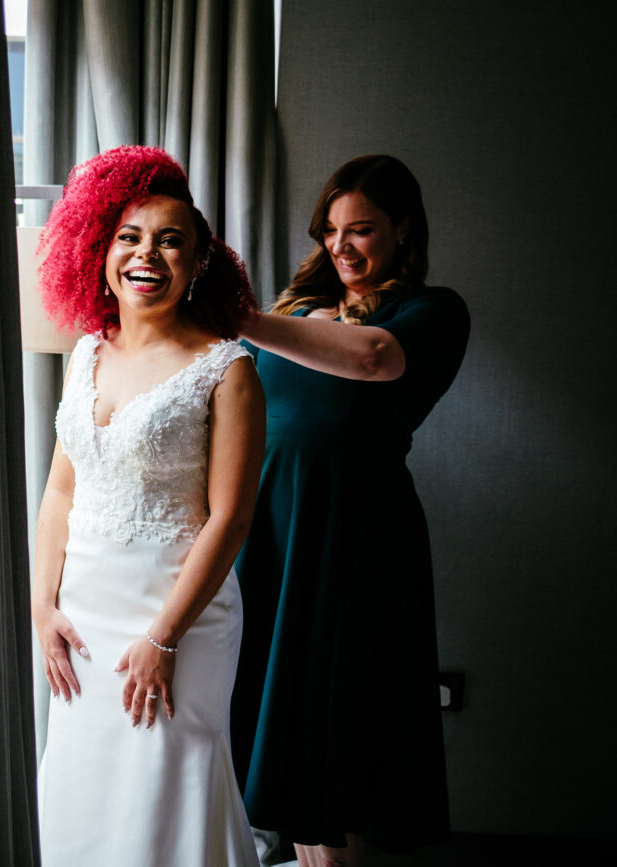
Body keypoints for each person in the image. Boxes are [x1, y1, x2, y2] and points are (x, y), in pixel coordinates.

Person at [230, 155, 470, 867]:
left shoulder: (431, 312)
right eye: (330, 230)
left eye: (360, 229)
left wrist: (241, 319)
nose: (341, 245)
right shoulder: (290, 311)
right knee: (284, 719)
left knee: (341, 723)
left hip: (355, 532)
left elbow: (371, 360)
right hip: (270, 529)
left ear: (402, 228)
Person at [31, 145, 264, 866]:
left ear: (198, 261)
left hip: (179, 617)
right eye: (129, 237)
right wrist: (42, 606)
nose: (147, 254)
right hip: (84, 616)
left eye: (170, 241)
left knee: (166, 781)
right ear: (102, 252)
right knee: (84, 784)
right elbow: (62, 489)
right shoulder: (86, 354)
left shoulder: (227, 369)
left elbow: (231, 519)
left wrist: (163, 638)